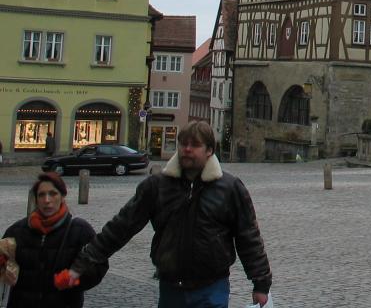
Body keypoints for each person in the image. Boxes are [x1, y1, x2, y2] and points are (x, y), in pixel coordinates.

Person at [66, 121, 272, 308]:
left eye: (194, 145)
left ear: (209, 150)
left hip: (212, 287)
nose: (187, 150)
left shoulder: (230, 188)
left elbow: (248, 237)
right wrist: (83, 263)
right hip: (171, 287)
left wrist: (261, 284)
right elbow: (121, 227)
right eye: (183, 144)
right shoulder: (157, 186)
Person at [1, 172, 107, 307]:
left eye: (53, 193)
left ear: (62, 196)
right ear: (36, 199)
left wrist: (75, 278)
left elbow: (99, 264)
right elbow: (3, 262)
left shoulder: (80, 230)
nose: (47, 200)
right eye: (41, 195)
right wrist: (4, 267)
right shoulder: (17, 231)